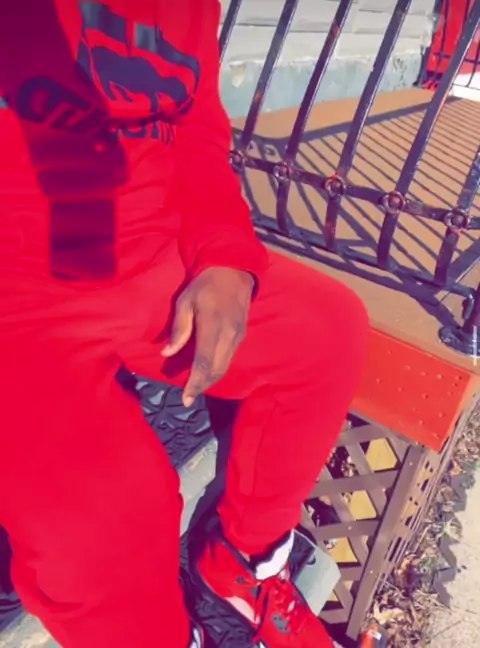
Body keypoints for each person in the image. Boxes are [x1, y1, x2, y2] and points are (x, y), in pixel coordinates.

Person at [0, 1, 368, 647]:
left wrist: (225, 254)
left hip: (151, 261)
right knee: (98, 523)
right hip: (20, 296)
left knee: (325, 332)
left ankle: (242, 565)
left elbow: (193, 131)